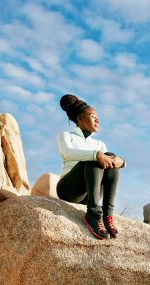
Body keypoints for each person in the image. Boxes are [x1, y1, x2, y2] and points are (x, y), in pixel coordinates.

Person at [56, 94, 125, 240]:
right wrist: (95, 154)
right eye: (93, 116)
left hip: (90, 193)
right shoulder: (66, 136)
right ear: (80, 118)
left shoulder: (99, 144)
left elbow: (108, 163)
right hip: (70, 190)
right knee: (95, 157)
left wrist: (122, 162)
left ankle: (107, 215)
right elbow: (67, 153)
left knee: (108, 155)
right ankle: (93, 215)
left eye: (97, 117)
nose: (97, 120)